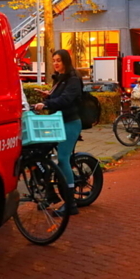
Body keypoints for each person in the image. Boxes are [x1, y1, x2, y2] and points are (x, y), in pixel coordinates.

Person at [33, 49, 82, 215]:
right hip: (57, 123)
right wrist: (47, 96)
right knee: (39, 152)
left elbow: (67, 99)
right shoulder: (60, 79)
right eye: (54, 60)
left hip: (70, 123)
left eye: (59, 60)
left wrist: (46, 105)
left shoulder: (73, 78)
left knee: (62, 159)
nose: (55, 63)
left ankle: (71, 203)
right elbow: (58, 98)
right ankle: (50, 194)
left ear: (66, 61)